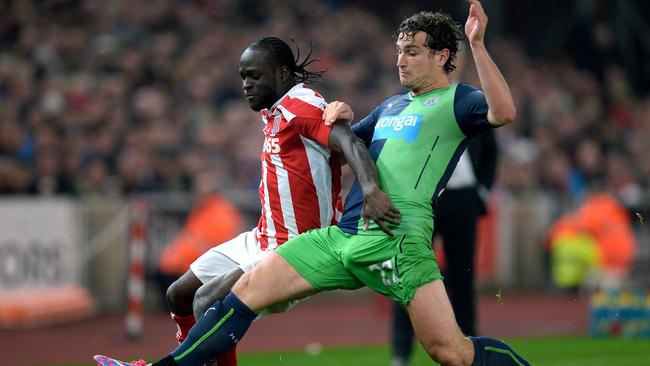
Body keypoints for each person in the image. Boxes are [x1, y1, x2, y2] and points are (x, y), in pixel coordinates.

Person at [94, 1, 530, 365]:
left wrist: (477, 45)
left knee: (450, 353)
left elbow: (503, 112)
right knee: (241, 290)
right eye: (399, 50)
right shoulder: (390, 106)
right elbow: (341, 149)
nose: (401, 59)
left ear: (442, 57)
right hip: (341, 237)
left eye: (413, 52)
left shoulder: (458, 99)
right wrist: (337, 119)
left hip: (397, 235)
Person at [159, 36, 397, 366]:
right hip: (261, 237)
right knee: (179, 295)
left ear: (282, 74)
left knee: (207, 300)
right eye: (243, 76)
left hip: (296, 248)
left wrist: (371, 190)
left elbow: (351, 143)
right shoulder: (276, 111)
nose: (246, 84)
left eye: (254, 76)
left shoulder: (302, 107)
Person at [391, 129, 498, 366]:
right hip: (423, 196)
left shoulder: (468, 104)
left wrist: (482, 190)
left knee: (463, 276)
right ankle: (401, 352)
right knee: (408, 273)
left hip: (463, 198)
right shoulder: (420, 107)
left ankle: (470, 347)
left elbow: (491, 148)